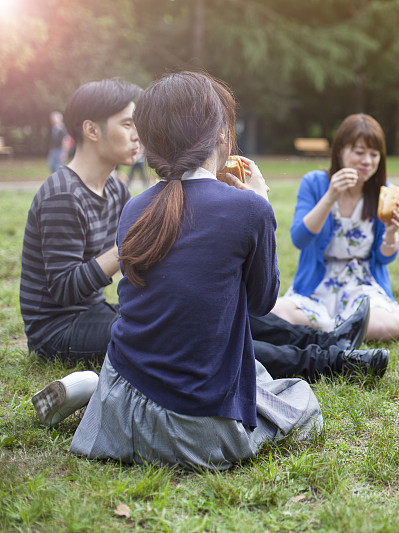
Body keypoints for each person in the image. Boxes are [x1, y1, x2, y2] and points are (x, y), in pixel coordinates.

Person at [34, 72, 322, 470]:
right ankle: (89, 389)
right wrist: (262, 204)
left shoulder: (134, 208)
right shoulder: (249, 209)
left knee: (250, 369)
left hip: (117, 415)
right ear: (222, 134)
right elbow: (261, 302)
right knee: (301, 400)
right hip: (192, 433)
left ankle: (90, 390)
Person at [272, 113, 399, 341]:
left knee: (378, 327)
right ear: (340, 151)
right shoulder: (315, 183)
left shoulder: (384, 191)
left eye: (374, 154)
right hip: (316, 285)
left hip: (361, 283)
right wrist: (330, 197)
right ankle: (340, 326)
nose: (367, 161)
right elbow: (299, 238)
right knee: (275, 314)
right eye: (359, 152)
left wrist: (391, 232)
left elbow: (384, 257)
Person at [21, 80, 141, 363]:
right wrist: (130, 245)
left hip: (93, 311)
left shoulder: (116, 190)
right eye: (127, 125)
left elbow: (135, 269)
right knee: (168, 335)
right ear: (91, 129)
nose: (138, 135)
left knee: (191, 320)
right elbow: (64, 289)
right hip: (56, 331)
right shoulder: (63, 195)